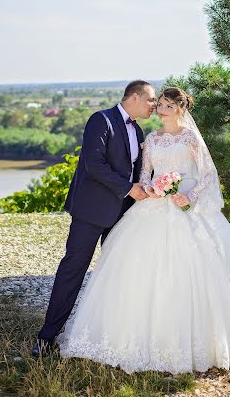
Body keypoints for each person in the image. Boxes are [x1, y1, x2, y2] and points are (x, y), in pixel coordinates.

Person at [56, 86, 230, 373]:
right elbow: (144, 174)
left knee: (197, 266)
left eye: (168, 105)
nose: (160, 108)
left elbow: (207, 173)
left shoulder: (190, 137)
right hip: (154, 206)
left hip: (186, 205)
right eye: (159, 103)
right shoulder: (151, 139)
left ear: (181, 109)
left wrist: (190, 196)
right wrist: (151, 187)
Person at [31, 80, 157, 357]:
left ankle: (109, 337)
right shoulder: (101, 120)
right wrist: (128, 188)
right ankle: (46, 336)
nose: (154, 106)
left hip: (122, 215)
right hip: (91, 212)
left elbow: (137, 172)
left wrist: (151, 188)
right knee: (72, 271)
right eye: (150, 100)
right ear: (134, 97)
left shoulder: (138, 130)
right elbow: (94, 164)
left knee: (118, 274)